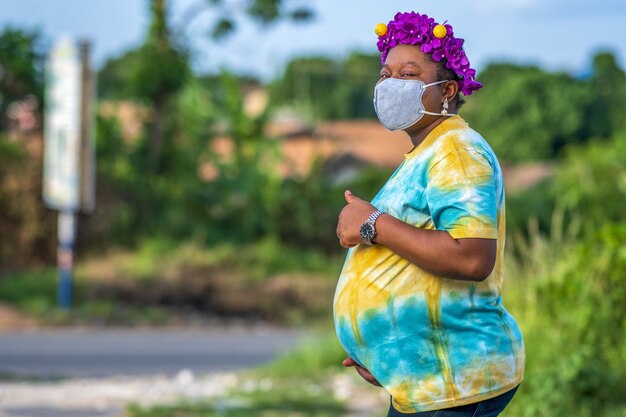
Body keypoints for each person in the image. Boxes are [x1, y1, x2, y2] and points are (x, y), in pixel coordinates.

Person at [333, 11, 525, 417]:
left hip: (454, 380)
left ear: (446, 90)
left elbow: (472, 257)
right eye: (386, 75)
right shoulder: (429, 152)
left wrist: (371, 222)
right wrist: (388, 350)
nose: (390, 85)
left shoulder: (457, 151)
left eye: (408, 74)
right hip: (427, 378)